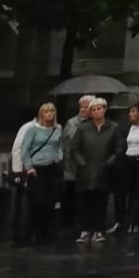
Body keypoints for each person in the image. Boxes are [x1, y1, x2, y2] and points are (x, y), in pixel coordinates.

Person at [65, 97, 120, 245]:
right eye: (93, 109)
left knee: (100, 201)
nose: (97, 112)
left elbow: (119, 148)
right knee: (84, 202)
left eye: (99, 108)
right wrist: (81, 163)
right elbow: (74, 148)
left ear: (105, 109)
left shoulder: (113, 127)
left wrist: (110, 162)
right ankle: (84, 230)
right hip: (85, 170)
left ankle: (98, 230)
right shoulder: (83, 128)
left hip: (104, 169)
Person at [14, 101, 66, 244]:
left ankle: (46, 234)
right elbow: (25, 149)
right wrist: (29, 167)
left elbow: (60, 145)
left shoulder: (58, 129)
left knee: (51, 201)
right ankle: (34, 233)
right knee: (38, 201)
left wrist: (59, 157)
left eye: (52, 111)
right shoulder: (32, 130)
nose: (50, 114)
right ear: (41, 114)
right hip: (37, 168)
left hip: (52, 167)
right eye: (47, 112)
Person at [112, 100, 139, 237]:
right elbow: (120, 143)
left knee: (138, 193)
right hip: (126, 160)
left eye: (134, 111)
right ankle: (119, 221)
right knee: (121, 191)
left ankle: (134, 221)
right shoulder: (124, 127)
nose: (130, 114)